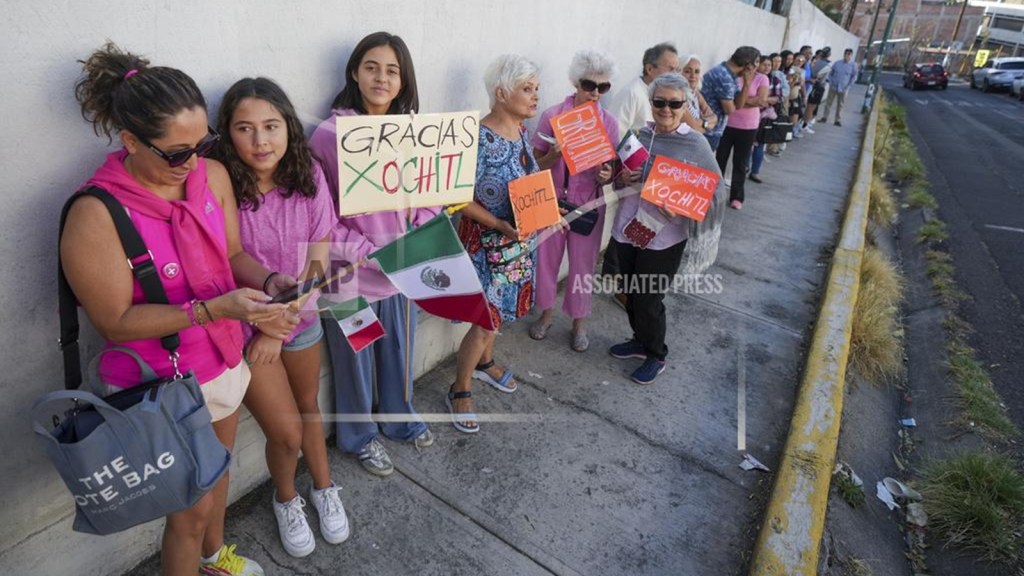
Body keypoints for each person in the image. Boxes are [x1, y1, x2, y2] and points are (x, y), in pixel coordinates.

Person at [66, 42, 290, 576]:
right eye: (174, 152)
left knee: (219, 476)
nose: (191, 162)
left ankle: (215, 560)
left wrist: (273, 280)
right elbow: (113, 321)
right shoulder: (95, 215)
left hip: (225, 360)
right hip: (164, 387)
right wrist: (213, 311)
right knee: (188, 516)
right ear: (129, 141)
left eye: (202, 143)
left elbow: (233, 255)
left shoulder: (209, 176)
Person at [216, 77, 350, 558]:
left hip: (300, 314)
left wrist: (283, 324)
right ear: (226, 133)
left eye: (271, 126)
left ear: (289, 127)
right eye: (245, 128)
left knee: (309, 403)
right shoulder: (220, 183)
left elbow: (318, 259)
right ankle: (286, 498)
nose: (260, 140)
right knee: (286, 430)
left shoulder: (309, 174)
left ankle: (324, 487)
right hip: (245, 325)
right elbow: (227, 258)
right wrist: (266, 326)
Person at [309, 31, 434, 476]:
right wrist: (365, 250)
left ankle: (400, 420)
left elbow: (429, 191)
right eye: (372, 67)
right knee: (356, 361)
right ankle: (360, 436)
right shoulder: (328, 135)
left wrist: (422, 228)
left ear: (404, 80)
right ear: (355, 72)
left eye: (393, 70)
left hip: (401, 270)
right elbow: (318, 215)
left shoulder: (413, 132)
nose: (382, 77)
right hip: (351, 277)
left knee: (399, 350)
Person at [607, 73, 725, 385]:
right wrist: (623, 179)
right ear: (651, 103)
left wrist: (684, 206)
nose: (667, 109)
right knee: (629, 292)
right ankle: (639, 340)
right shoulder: (640, 137)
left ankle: (656, 354)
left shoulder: (695, 143)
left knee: (648, 298)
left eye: (675, 103)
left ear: (686, 104)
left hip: (665, 238)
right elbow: (618, 177)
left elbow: (717, 191)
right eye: (660, 102)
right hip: (628, 229)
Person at [451, 54, 543, 433]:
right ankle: (460, 388)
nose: (536, 96)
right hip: (485, 244)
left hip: (515, 242)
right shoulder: (476, 137)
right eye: (527, 88)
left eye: (537, 88)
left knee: (500, 313)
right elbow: (455, 197)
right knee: (486, 321)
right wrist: (500, 225)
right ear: (502, 93)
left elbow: (529, 176)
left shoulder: (520, 131)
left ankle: (486, 365)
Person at [530, 50, 619, 352]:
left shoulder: (609, 123)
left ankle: (579, 322)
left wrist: (606, 175)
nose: (595, 93)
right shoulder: (552, 116)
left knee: (583, 267)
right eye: (588, 85)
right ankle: (546, 313)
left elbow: (612, 172)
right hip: (551, 201)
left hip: (589, 202)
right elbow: (531, 163)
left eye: (602, 87)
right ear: (576, 83)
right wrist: (551, 156)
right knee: (544, 263)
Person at [716, 51, 767, 210]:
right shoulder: (733, 76)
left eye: (757, 62)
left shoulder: (761, 78)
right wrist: (744, 101)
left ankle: (737, 197)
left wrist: (740, 101)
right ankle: (714, 194)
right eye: (752, 62)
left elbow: (762, 100)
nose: (754, 65)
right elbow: (726, 98)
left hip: (748, 126)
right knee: (720, 159)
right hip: (727, 123)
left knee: (741, 162)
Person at [610, 42, 679, 135]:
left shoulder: (670, 95)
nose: (675, 75)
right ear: (650, 69)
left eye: (677, 70)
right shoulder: (632, 93)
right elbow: (615, 134)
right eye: (670, 69)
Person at [700, 46, 759, 151]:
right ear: (748, 65)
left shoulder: (731, 75)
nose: (755, 69)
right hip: (707, 130)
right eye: (755, 64)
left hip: (713, 129)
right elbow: (730, 110)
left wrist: (747, 84)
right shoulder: (723, 76)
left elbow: (739, 105)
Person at [749, 56, 783, 183]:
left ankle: (755, 172)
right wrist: (761, 99)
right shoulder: (751, 78)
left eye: (769, 65)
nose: (767, 67)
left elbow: (777, 98)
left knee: (760, 144)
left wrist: (761, 99)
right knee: (748, 144)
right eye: (764, 64)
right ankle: (745, 167)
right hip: (749, 115)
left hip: (764, 118)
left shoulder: (775, 80)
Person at [680, 54, 719, 135]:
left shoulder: (696, 94)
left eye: (696, 72)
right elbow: (694, 128)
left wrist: (703, 123)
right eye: (687, 71)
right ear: (679, 72)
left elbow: (714, 118)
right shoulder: (679, 97)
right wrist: (706, 126)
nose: (693, 76)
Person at [818, 48, 857, 127]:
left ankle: (837, 120)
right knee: (828, 102)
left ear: (851, 56)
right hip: (834, 86)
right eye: (846, 54)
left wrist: (849, 86)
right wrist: (831, 82)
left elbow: (854, 77)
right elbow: (831, 73)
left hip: (844, 88)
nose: (847, 55)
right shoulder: (837, 63)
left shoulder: (853, 65)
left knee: (840, 104)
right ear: (844, 54)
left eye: (849, 54)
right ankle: (825, 117)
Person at [803, 47, 832, 133]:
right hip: (818, 86)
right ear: (829, 55)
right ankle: (804, 125)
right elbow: (820, 77)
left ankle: (805, 124)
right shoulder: (827, 64)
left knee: (811, 106)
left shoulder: (816, 62)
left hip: (815, 86)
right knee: (811, 107)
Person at [787, 53, 808, 139]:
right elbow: (789, 85)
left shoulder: (802, 71)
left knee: (795, 117)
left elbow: (802, 85)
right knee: (788, 118)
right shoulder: (790, 70)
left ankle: (789, 135)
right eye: (798, 60)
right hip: (789, 97)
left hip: (796, 96)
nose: (800, 62)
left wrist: (804, 96)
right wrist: (795, 80)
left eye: (802, 60)